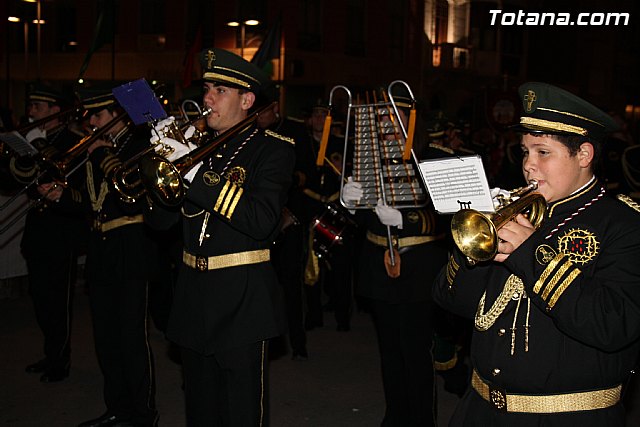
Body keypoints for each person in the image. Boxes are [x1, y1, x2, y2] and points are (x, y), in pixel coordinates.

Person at [433, 81, 640, 426]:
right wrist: (475, 249)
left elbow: (612, 326)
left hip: (569, 417)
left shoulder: (623, 225)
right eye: (526, 151)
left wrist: (530, 253)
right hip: (480, 410)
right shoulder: (518, 209)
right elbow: (450, 300)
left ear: (584, 155)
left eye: (543, 152)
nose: (529, 165)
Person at [145, 48, 295, 426]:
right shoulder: (195, 148)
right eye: (207, 87)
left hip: (242, 298)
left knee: (242, 410)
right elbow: (160, 223)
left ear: (247, 100)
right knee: (201, 408)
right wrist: (163, 165)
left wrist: (193, 173)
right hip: (193, 294)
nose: (206, 98)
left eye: (220, 90)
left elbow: (261, 221)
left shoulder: (271, 149)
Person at [40, 87, 158, 426]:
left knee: (132, 338)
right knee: (106, 338)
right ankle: (118, 407)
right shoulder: (97, 149)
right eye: (90, 116)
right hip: (101, 251)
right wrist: (60, 195)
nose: (90, 122)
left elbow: (131, 196)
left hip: (131, 249)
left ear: (118, 116)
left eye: (98, 115)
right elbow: (92, 202)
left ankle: (143, 412)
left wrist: (102, 156)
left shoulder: (141, 146)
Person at [342, 87, 449, 426]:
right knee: (389, 353)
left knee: (416, 353)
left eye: (395, 117)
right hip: (379, 265)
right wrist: (352, 202)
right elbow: (362, 220)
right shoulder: (369, 160)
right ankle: (395, 416)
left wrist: (406, 219)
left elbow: (451, 217)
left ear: (411, 120)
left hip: (419, 268)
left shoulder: (435, 157)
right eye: (382, 118)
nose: (387, 124)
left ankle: (420, 420)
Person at [9, 82, 88, 383]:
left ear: (55, 111)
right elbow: (21, 180)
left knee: (58, 301)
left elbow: (72, 180)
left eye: (37, 107)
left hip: (61, 230)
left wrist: (41, 148)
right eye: (31, 107)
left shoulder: (71, 140)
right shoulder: (32, 139)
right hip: (38, 229)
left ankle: (61, 358)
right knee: (40, 298)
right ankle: (50, 352)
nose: (31, 112)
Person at [257, 94, 310, 360]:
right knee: (264, 283)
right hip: (264, 216)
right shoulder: (253, 132)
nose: (259, 116)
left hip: (290, 217)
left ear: (276, 108)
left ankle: (298, 342)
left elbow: (306, 171)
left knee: (291, 283)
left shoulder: (295, 129)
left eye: (264, 110)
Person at [298, 101, 355, 332]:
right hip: (311, 207)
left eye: (324, 115)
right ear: (310, 119)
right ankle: (313, 314)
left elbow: (352, 176)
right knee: (312, 266)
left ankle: (343, 316)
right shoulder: (302, 144)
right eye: (316, 114)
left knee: (341, 267)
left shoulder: (341, 145)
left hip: (336, 207)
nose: (320, 119)